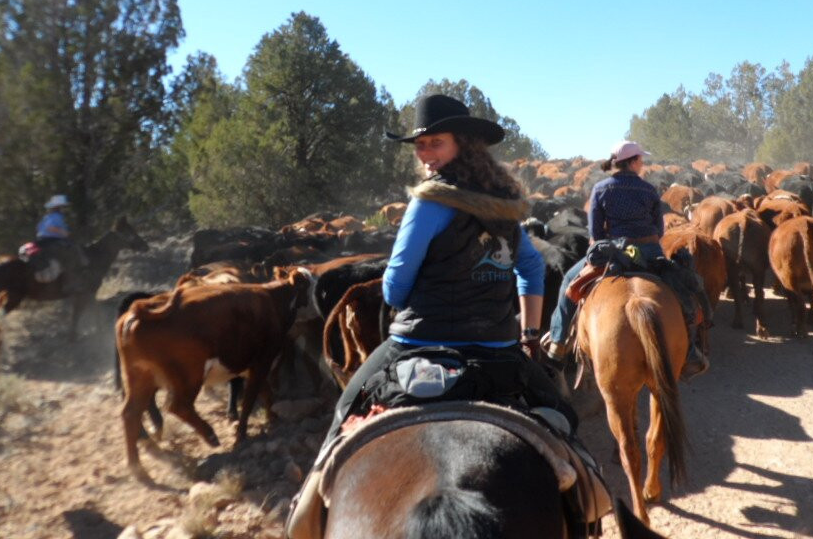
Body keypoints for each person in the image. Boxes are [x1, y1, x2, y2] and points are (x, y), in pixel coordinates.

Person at [287, 94, 576, 537]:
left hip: (419, 343)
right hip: (498, 352)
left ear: (462, 144)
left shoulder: (429, 202)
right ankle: (582, 513)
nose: (424, 154)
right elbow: (532, 269)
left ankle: (302, 517)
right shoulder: (501, 203)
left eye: (434, 143)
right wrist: (530, 332)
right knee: (564, 423)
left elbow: (394, 285)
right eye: (419, 145)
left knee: (345, 410)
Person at [542, 141, 709, 379]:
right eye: (641, 159)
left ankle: (557, 345)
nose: (643, 164)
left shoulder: (600, 188)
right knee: (683, 288)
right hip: (650, 254)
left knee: (569, 282)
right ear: (632, 162)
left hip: (611, 253)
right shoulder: (649, 190)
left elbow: (596, 233)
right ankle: (690, 348)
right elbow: (659, 230)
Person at [33, 195, 85, 287]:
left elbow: (38, 227)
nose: (64, 208)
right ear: (59, 207)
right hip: (52, 241)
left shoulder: (47, 217)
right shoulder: (57, 216)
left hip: (40, 241)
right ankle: (72, 281)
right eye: (63, 206)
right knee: (72, 251)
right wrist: (64, 232)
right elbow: (51, 228)